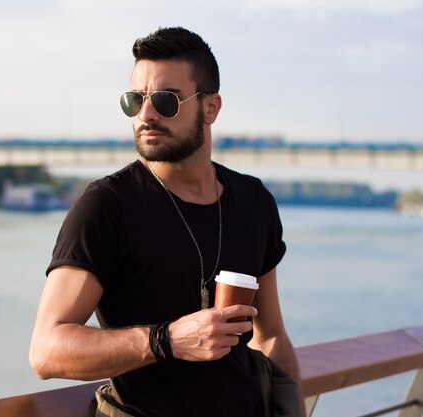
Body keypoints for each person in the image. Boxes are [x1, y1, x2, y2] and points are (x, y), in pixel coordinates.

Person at [29, 27, 304, 417]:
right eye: (134, 101)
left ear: (210, 107)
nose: (146, 115)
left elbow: (270, 334)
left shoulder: (253, 202)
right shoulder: (106, 207)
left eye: (165, 100)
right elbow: (46, 351)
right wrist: (167, 340)